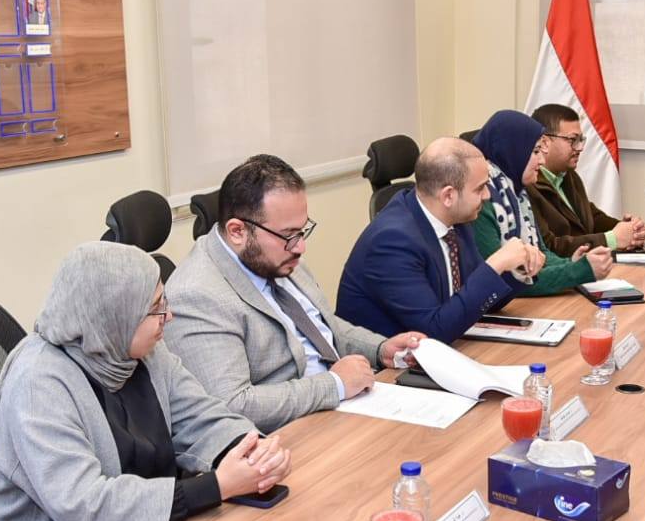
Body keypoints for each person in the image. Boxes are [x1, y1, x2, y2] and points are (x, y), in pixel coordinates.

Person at [0, 242, 291, 521]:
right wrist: (216, 486)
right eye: (156, 307)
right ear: (115, 316)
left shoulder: (141, 351)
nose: (169, 316)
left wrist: (254, 452)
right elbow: (82, 504)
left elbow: (202, 417)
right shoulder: (38, 383)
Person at [166, 155, 423, 432]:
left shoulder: (276, 255)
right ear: (238, 231)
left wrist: (381, 349)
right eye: (289, 235)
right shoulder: (197, 295)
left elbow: (323, 326)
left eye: (302, 231)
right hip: (289, 435)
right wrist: (333, 385)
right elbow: (232, 405)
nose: (300, 247)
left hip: (346, 409)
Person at [337, 136, 544, 342]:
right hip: (389, 359)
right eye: (480, 188)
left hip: (443, 347)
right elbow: (435, 330)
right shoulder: (391, 242)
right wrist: (495, 264)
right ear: (448, 196)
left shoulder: (456, 219)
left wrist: (517, 269)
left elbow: (476, 301)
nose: (488, 196)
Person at [471, 110, 615, 296]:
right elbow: (507, 280)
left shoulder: (517, 193)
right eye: (535, 152)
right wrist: (579, 270)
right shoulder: (482, 202)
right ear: (513, 152)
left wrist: (572, 263)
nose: (542, 160)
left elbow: (542, 253)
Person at [525, 103, 645, 254]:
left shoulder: (568, 175)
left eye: (581, 140)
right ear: (545, 142)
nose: (580, 148)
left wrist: (630, 230)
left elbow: (591, 218)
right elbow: (550, 247)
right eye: (572, 140)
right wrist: (612, 239)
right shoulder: (528, 184)